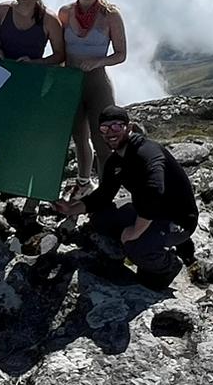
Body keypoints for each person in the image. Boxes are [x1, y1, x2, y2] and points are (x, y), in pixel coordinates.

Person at [53, 105, 198, 289]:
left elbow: (155, 191)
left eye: (116, 126)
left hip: (178, 219)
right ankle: (152, 241)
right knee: (100, 218)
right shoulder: (116, 161)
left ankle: (169, 265)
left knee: (136, 248)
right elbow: (103, 196)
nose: (110, 133)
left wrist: (135, 231)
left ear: (129, 127)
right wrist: (71, 208)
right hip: (146, 212)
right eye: (104, 129)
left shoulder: (148, 152)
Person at [58, 0, 128, 197]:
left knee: (104, 138)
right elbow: (59, 51)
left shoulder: (111, 15)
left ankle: (108, 190)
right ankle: (84, 182)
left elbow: (121, 54)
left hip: (97, 83)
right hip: (71, 82)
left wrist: (97, 62)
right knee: (79, 137)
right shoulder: (65, 12)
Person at [0, 0, 66, 65]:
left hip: (31, 75)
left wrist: (36, 62)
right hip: (0, 70)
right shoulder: (3, 11)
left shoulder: (49, 19)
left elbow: (60, 55)